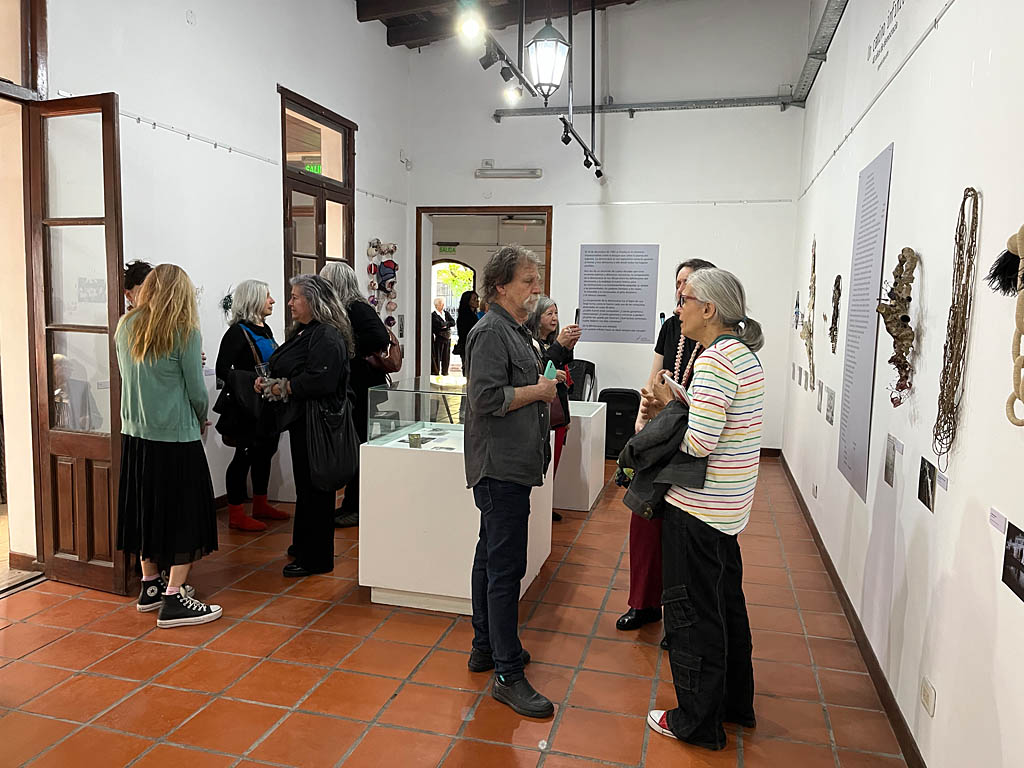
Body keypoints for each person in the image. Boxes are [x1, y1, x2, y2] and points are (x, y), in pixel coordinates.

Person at [642, 268, 765, 750]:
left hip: (698, 508)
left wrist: (667, 413)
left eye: (685, 299)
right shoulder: (745, 356)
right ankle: (736, 703)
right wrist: (685, 401)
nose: (679, 308)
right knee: (725, 608)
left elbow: (697, 441)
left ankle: (695, 720)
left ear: (709, 309)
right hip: (728, 509)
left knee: (692, 616)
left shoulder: (716, 361)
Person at [464, 245, 556, 719]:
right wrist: (538, 391)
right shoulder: (490, 333)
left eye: (536, 278)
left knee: (490, 556)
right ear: (500, 285)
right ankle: (507, 674)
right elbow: (483, 397)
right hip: (498, 467)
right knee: (505, 569)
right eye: (527, 280)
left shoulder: (514, 330)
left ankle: (486, 646)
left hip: (512, 464)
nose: (536, 287)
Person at [115, 264, 221, 628]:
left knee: (147, 510)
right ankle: (175, 597)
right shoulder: (185, 332)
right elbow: (195, 390)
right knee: (186, 514)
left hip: (136, 436)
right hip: (176, 437)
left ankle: (150, 585)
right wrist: (202, 417)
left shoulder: (125, 326)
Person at [617, 258, 716, 635]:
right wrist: (644, 419)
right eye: (678, 283)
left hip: (688, 437)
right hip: (662, 427)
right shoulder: (672, 327)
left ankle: (679, 617)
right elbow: (655, 375)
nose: (680, 291)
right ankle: (643, 603)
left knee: (681, 534)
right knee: (643, 520)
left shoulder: (716, 341)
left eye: (688, 285)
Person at [259, 275, 353, 577]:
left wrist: (280, 388)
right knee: (307, 489)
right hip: (305, 422)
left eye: (295, 297)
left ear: (314, 301)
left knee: (317, 490)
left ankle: (317, 557)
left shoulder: (326, 335)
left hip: (319, 424)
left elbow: (320, 381)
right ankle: (304, 546)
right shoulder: (307, 332)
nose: (289, 302)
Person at [214, 279, 288, 533]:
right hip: (246, 407)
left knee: (265, 453)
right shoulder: (237, 332)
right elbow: (222, 369)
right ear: (254, 299)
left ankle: (260, 503)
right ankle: (236, 512)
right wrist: (250, 380)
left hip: (267, 404)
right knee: (243, 457)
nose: (273, 300)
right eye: (267, 296)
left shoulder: (264, 329)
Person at [320, 261, 390, 529]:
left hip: (364, 390)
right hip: (361, 388)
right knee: (356, 447)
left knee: (359, 448)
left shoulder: (356, 308)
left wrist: (345, 347)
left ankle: (357, 506)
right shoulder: (350, 308)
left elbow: (378, 338)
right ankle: (351, 504)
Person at [526, 296, 582, 522]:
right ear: (536, 317)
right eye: (549, 313)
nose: (554, 318)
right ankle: (539, 508)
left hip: (558, 410)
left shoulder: (548, 342)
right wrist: (560, 345)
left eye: (556, 313)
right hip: (543, 412)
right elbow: (542, 368)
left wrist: (568, 346)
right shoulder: (531, 343)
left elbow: (562, 367)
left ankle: (546, 504)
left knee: (554, 461)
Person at [452, 289, 480, 367]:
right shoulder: (465, 317)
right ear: (468, 301)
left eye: (477, 299)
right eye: (474, 299)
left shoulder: (473, 315)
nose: (477, 301)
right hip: (468, 346)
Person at [431, 297, 455, 375]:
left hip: (447, 337)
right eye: (441, 304)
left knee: (446, 356)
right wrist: (446, 324)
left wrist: (445, 324)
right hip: (439, 338)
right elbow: (438, 325)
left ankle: (445, 372)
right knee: (438, 355)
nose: (443, 305)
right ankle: (436, 371)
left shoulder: (446, 313)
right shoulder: (433, 315)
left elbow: (453, 322)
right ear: (436, 305)